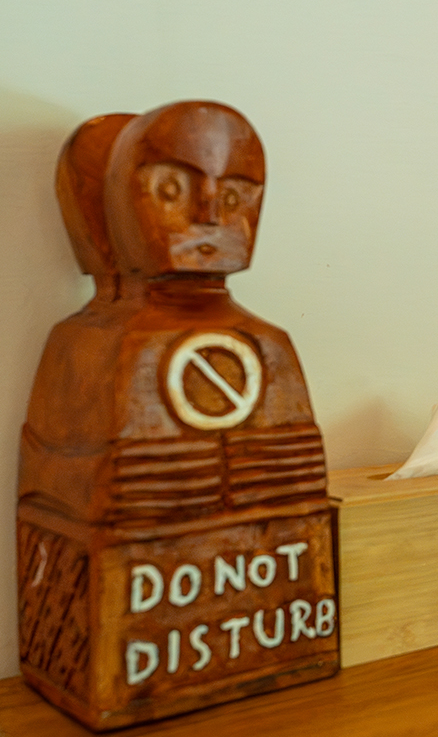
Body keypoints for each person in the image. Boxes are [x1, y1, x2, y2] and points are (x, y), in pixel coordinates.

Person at [19, 101, 327, 528]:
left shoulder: (270, 342)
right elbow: (56, 491)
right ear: (118, 204)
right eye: (171, 189)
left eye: (233, 195)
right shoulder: (88, 342)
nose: (209, 216)